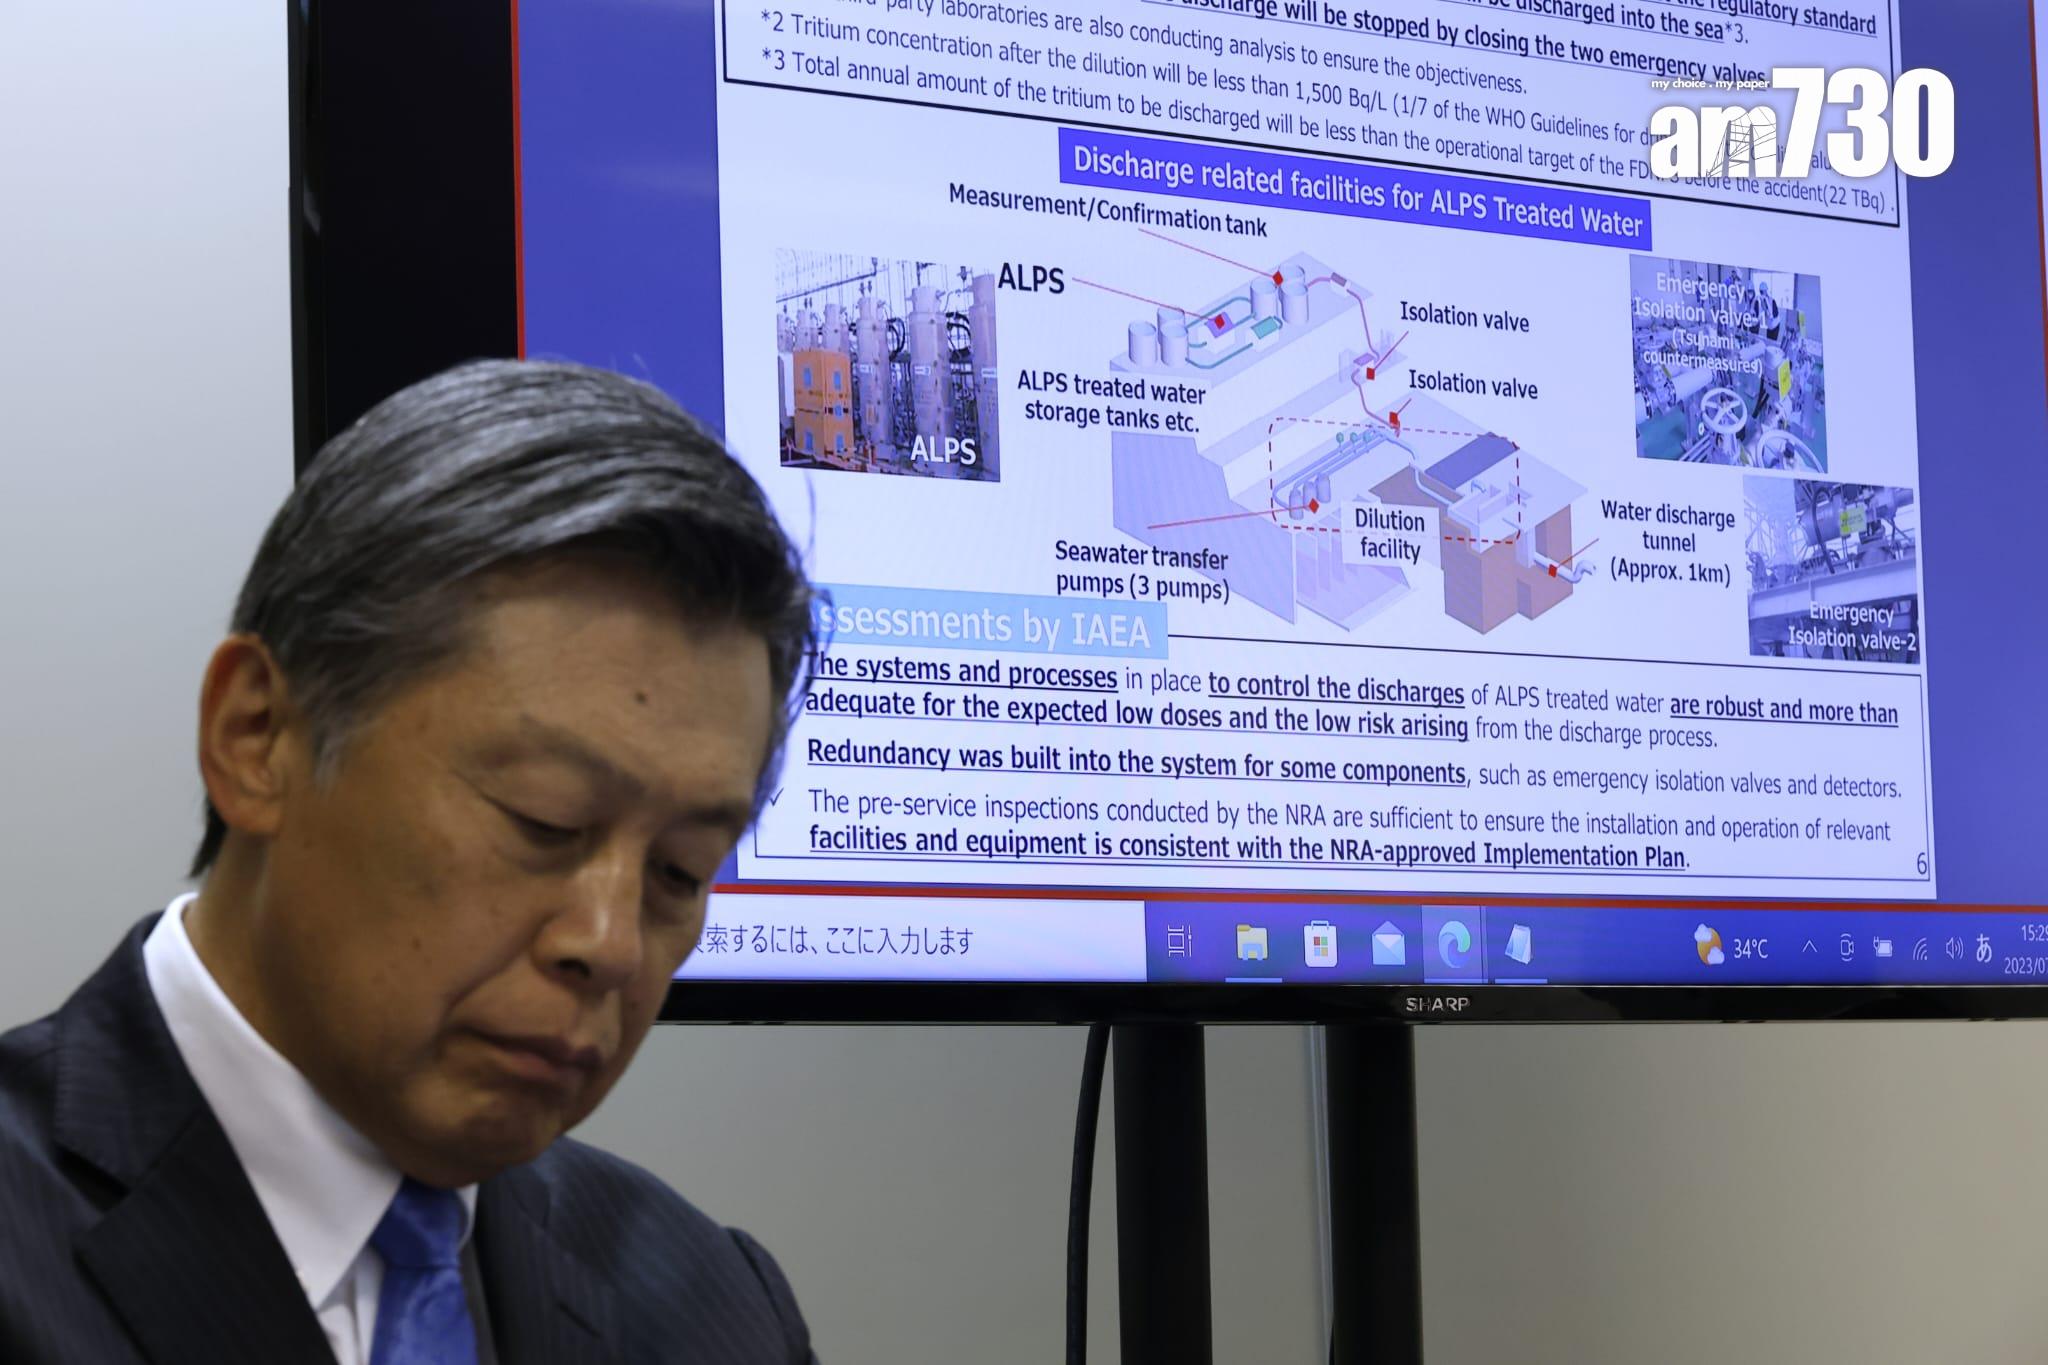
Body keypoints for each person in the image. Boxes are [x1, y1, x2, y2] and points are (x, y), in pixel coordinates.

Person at [0, 360, 820, 1364]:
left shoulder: (712, 1307)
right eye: (544, 820)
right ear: (257, 738)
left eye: (681, 872)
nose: (609, 945)